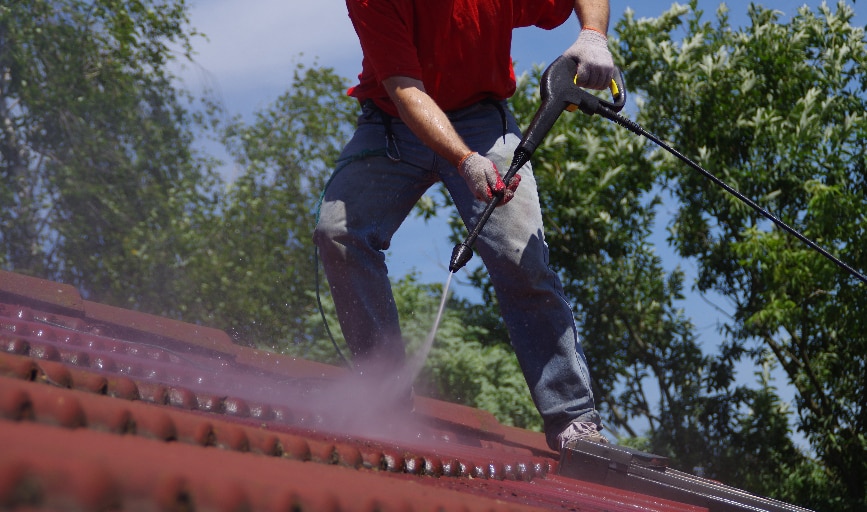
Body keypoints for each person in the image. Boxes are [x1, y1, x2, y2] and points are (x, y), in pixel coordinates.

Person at [314, 0, 617, 451]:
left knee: (521, 257)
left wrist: (594, 34)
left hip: (482, 120)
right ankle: (386, 403)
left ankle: (574, 419)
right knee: (337, 231)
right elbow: (406, 91)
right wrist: (463, 161)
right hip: (394, 122)